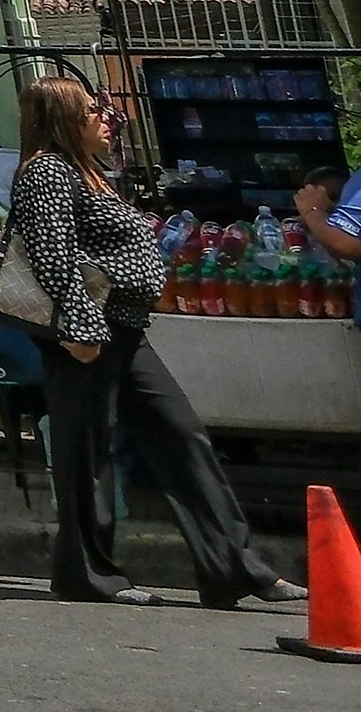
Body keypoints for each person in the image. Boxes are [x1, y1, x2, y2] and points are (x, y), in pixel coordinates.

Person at [15, 72, 278, 605]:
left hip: (126, 330)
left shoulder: (87, 172)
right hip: (87, 332)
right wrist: (80, 327)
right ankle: (87, 576)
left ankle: (232, 567)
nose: (105, 119)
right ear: (64, 120)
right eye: (91, 111)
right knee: (86, 455)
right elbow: (53, 255)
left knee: (181, 437)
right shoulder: (45, 172)